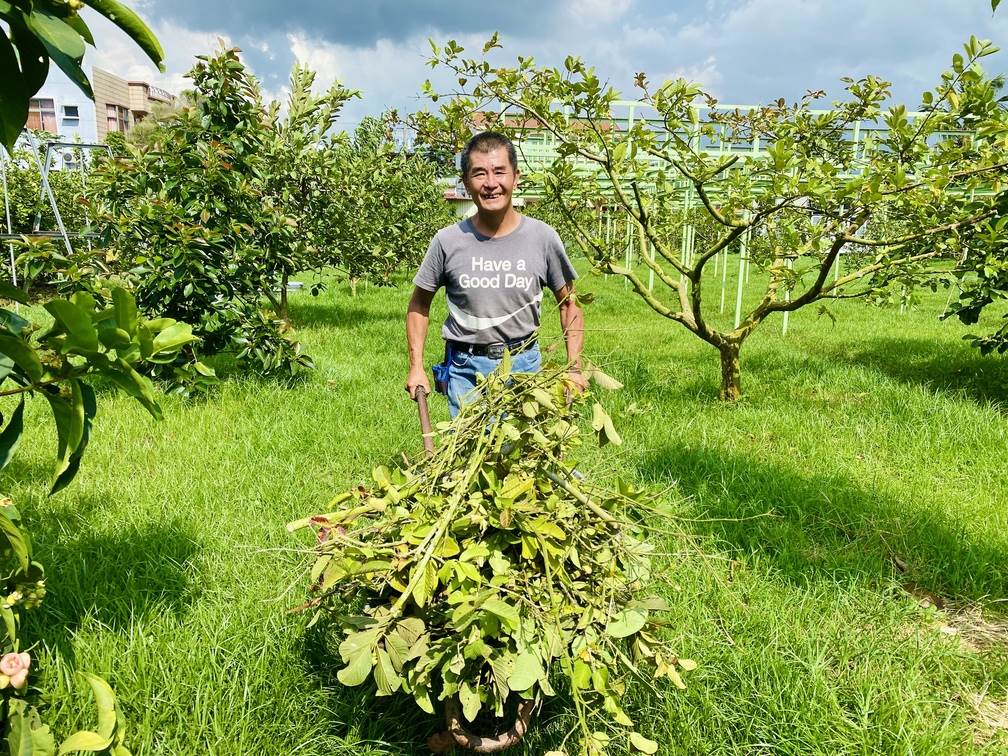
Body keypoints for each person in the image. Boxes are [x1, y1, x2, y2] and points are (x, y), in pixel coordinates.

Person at [405, 131, 586, 416]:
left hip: (525, 368)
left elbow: (569, 304)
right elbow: (418, 305)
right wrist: (416, 367)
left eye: (499, 172)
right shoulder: (447, 241)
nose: (491, 184)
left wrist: (574, 368)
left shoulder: (543, 238)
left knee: (524, 458)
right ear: (466, 182)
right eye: (479, 174)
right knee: (467, 458)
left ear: (516, 177)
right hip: (466, 371)